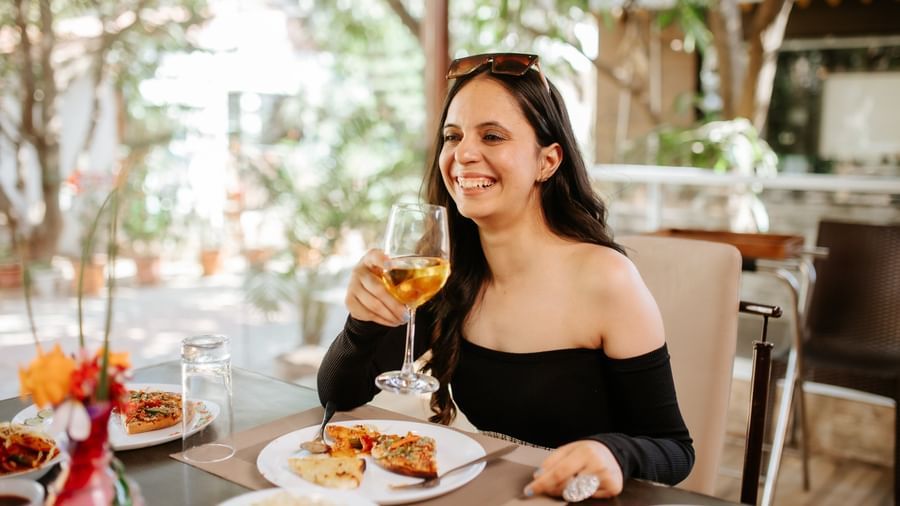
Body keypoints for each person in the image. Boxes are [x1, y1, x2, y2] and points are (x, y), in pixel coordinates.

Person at [317, 52, 694, 501]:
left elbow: (674, 450)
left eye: (492, 136)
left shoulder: (606, 279)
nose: (464, 154)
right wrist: (363, 324)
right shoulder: (445, 274)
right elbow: (338, 396)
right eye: (452, 136)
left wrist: (615, 453)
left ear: (547, 161)